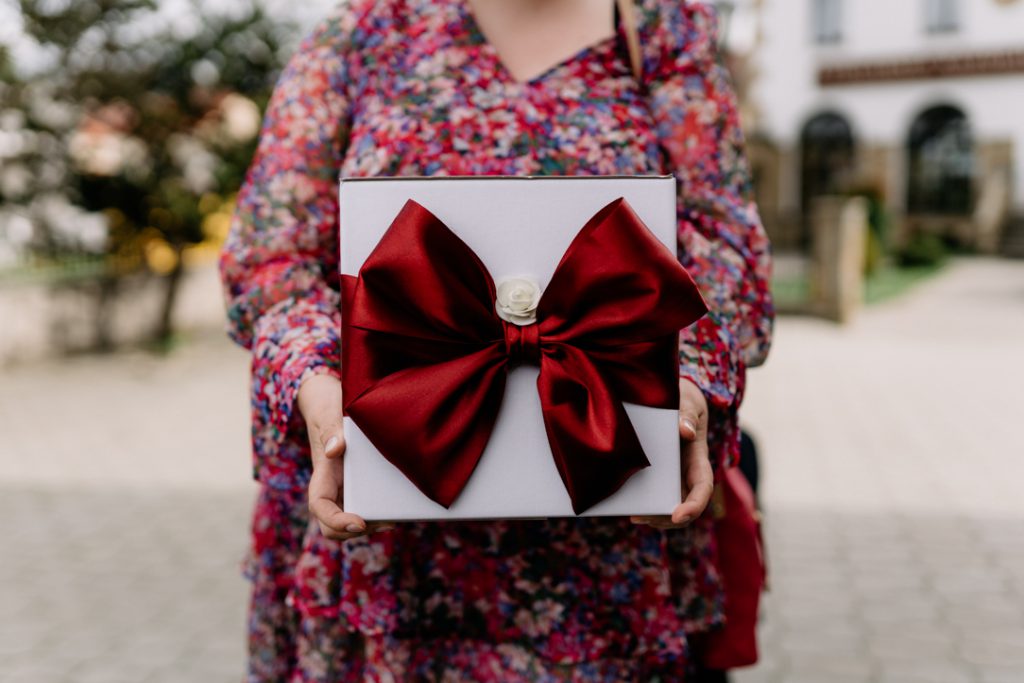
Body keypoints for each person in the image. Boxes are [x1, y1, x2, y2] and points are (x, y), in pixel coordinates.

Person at [218, 0, 773, 680]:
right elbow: (269, 260)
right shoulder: (361, 33)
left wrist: (685, 383)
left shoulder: (663, 32)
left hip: (606, 542)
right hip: (389, 553)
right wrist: (320, 388)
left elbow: (726, 248)